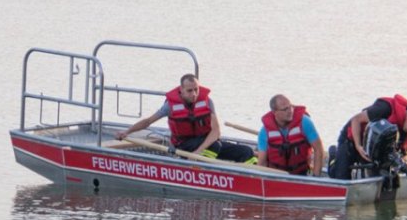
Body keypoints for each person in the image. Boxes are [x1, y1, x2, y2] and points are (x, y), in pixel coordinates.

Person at [114, 74, 254, 163]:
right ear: (181, 90)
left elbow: (216, 132)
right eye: (190, 90)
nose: (194, 94)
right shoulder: (170, 106)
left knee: (246, 151)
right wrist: (127, 132)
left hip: (205, 144)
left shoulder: (207, 102)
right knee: (214, 146)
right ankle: (199, 168)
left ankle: (248, 177)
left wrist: (198, 152)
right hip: (184, 145)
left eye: (196, 89)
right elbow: (148, 121)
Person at [329, 94, 407, 180]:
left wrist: (405, 160)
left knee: (385, 177)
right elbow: (356, 119)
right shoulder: (384, 108)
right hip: (351, 139)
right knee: (339, 176)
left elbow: (403, 151)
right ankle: (333, 155)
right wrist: (358, 146)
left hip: (374, 148)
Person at [257, 94, 325, 176]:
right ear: (275, 112)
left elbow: (318, 149)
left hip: (301, 175)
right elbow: (262, 162)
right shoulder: (264, 132)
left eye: (290, 107)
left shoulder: (305, 122)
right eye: (285, 109)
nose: (290, 111)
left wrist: (316, 177)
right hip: (276, 176)